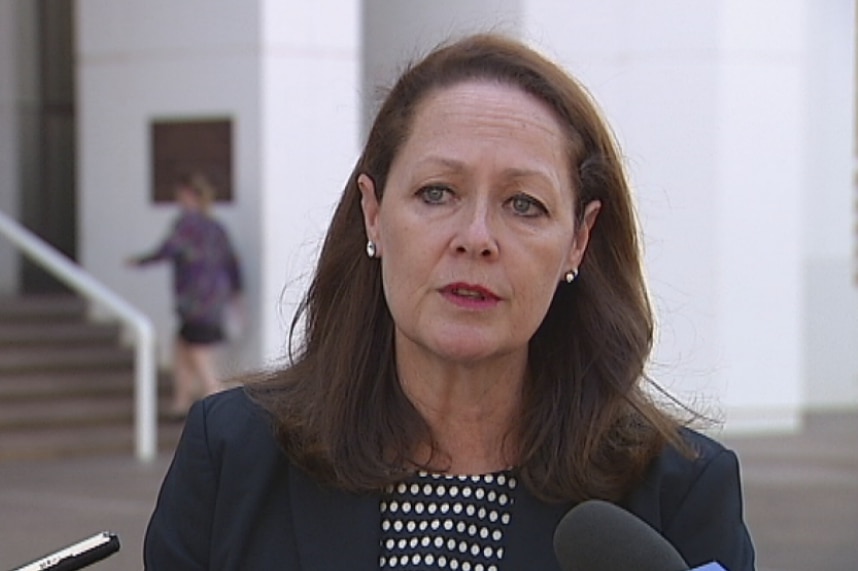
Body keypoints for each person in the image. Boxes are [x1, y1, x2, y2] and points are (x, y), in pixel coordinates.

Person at [144, 33, 755, 570]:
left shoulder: (678, 493)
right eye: (438, 193)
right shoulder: (233, 456)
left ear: (579, 240)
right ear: (374, 213)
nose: (476, 239)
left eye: (524, 204)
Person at [128, 172, 243, 419]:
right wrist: (236, 295)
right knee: (181, 345)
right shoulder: (216, 227)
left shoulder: (187, 225)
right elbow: (232, 263)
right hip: (214, 298)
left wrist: (140, 262)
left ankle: (217, 401)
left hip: (195, 300)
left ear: (189, 196)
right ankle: (181, 401)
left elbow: (168, 249)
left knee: (198, 352)